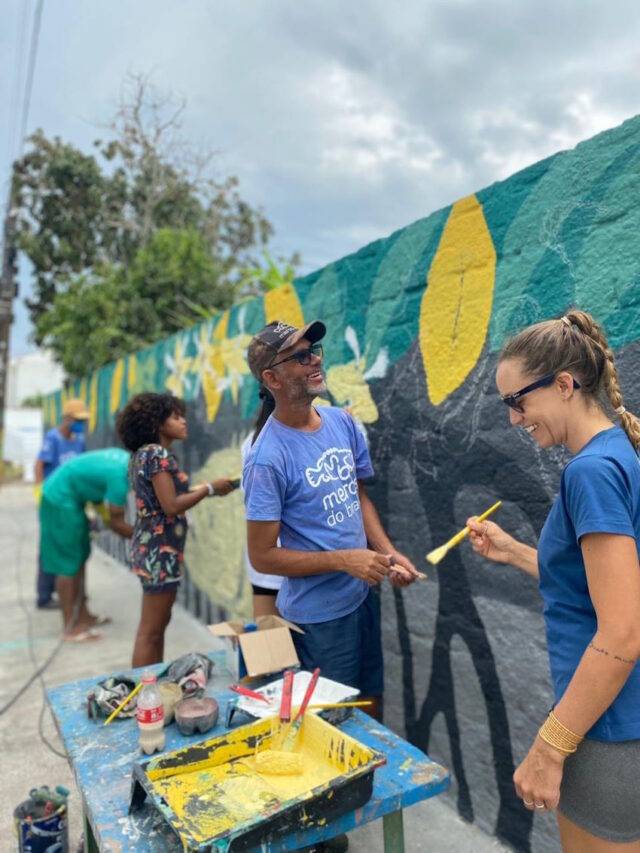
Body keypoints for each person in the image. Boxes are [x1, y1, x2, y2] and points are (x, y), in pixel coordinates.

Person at [467, 310, 640, 850]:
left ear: (564, 385)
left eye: (517, 401)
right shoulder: (619, 453)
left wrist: (549, 748)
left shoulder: (590, 473)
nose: (513, 418)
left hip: (607, 731)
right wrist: (515, 552)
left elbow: (622, 633)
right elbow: (599, 586)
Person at [243, 320, 421, 721]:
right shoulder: (266, 459)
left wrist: (388, 553)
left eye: (315, 350)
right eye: (300, 356)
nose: (315, 361)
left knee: (370, 704)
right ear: (272, 378)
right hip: (320, 620)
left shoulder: (342, 423)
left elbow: (358, 495)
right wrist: (344, 560)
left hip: (361, 597)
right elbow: (262, 557)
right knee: (333, 723)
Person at [116, 392, 236, 667]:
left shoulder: (142, 455)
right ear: (157, 423)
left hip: (154, 549)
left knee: (157, 626)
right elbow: (170, 506)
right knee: (151, 631)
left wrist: (209, 489)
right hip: (159, 551)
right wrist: (209, 489)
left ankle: (152, 681)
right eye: (175, 417)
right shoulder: (156, 454)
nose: (183, 421)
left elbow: (163, 499)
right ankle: (144, 686)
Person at [40, 447, 134, 641]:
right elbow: (116, 522)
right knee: (68, 563)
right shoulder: (120, 477)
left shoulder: (127, 462)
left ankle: (82, 615)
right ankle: (70, 627)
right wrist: (147, 539)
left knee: (80, 556)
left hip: (73, 498)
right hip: (60, 499)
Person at [34, 398, 89, 608]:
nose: (80, 424)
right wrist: (40, 494)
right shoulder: (53, 438)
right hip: (53, 500)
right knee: (50, 545)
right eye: (77, 420)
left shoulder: (79, 441)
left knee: (69, 545)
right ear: (66, 418)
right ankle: (44, 596)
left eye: (82, 421)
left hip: (72, 502)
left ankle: (66, 591)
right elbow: (39, 465)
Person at [241, 396, 283, 618]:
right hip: (291, 559)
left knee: (269, 636)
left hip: (263, 564)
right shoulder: (283, 443)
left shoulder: (250, 442)